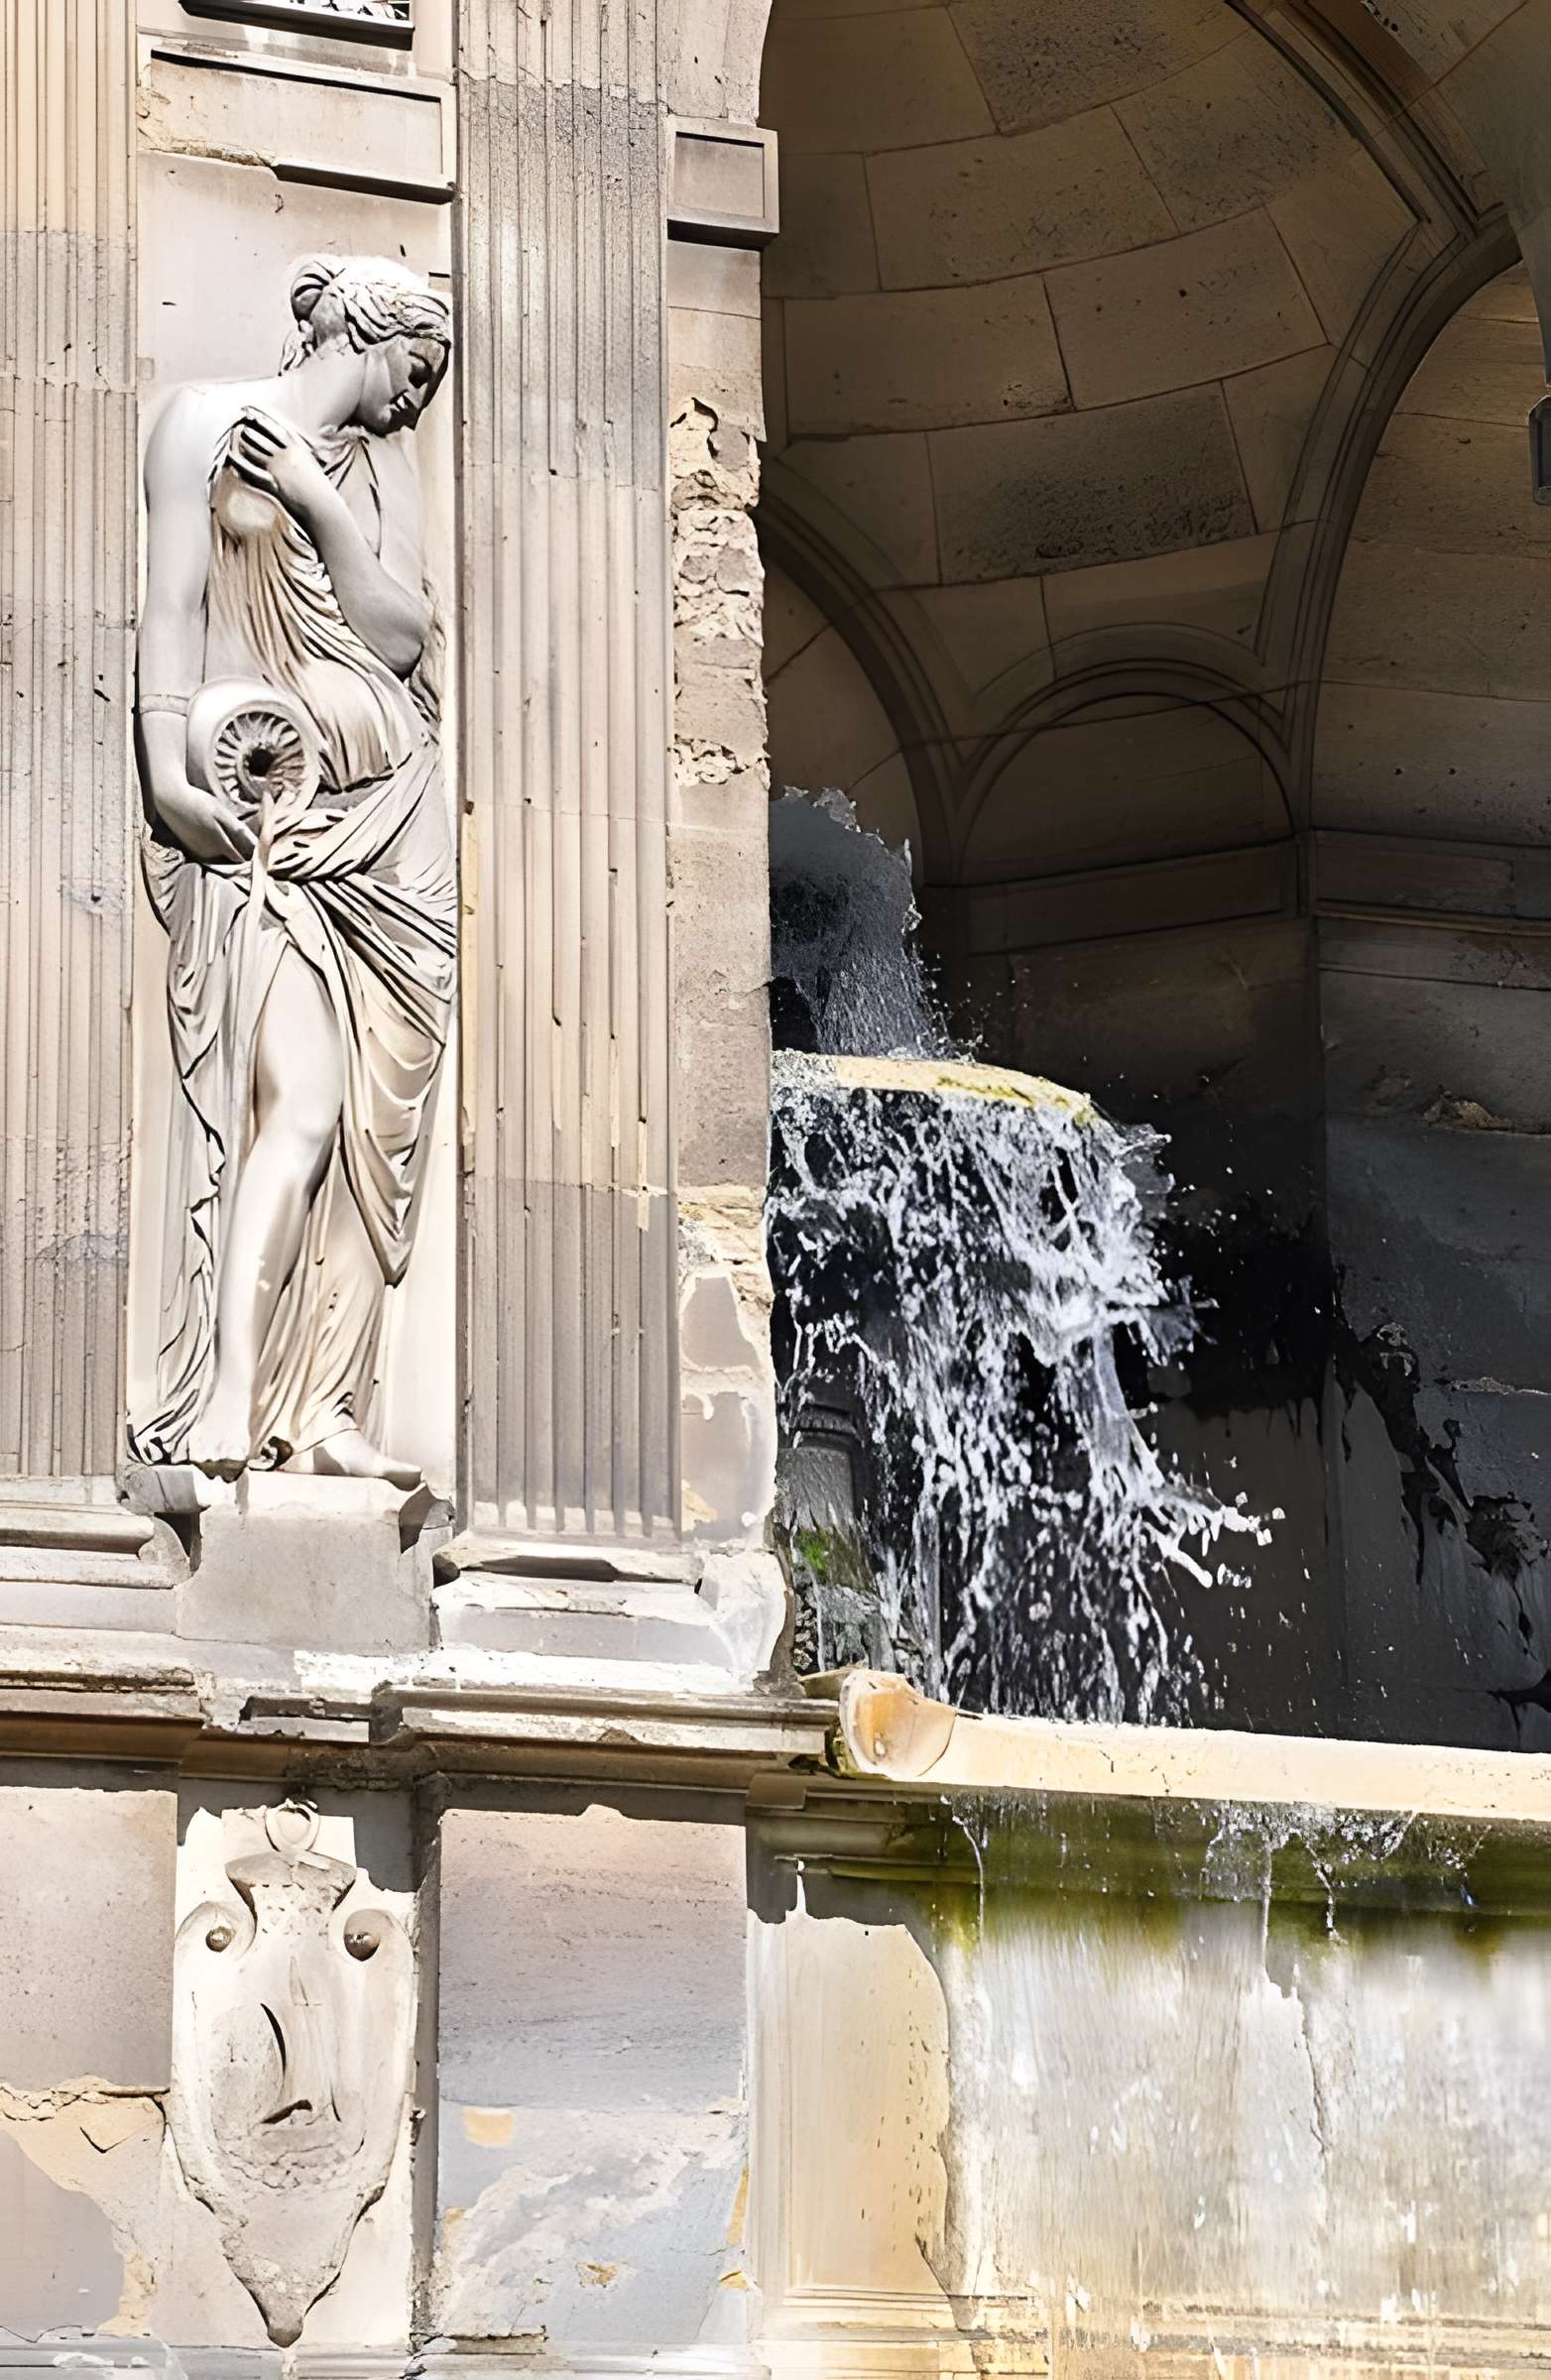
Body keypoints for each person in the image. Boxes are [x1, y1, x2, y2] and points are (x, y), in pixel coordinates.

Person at [130, 254, 455, 1486]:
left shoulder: (374, 469)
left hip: (396, 827)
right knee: (302, 1105)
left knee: (377, 1130)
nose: (417, 397)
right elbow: (170, 612)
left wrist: (318, 500)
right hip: (268, 815)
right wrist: (167, 773)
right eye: (414, 368)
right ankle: (229, 1393)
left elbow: (401, 635)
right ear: (364, 330)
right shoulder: (202, 424)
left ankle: (321, 1412)